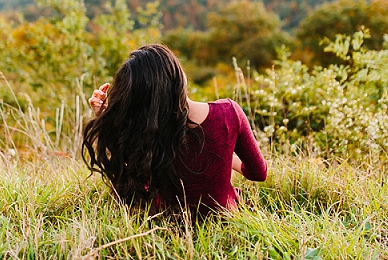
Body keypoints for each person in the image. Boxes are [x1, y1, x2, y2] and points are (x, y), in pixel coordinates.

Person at [82, 44, 267, 216]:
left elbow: (130, 174)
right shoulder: (228, 113)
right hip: (225, 218)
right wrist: (227, 158)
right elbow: (258, 173)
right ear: (180, 77)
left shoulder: (146, 132)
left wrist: (105, 119)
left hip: (167, 224)